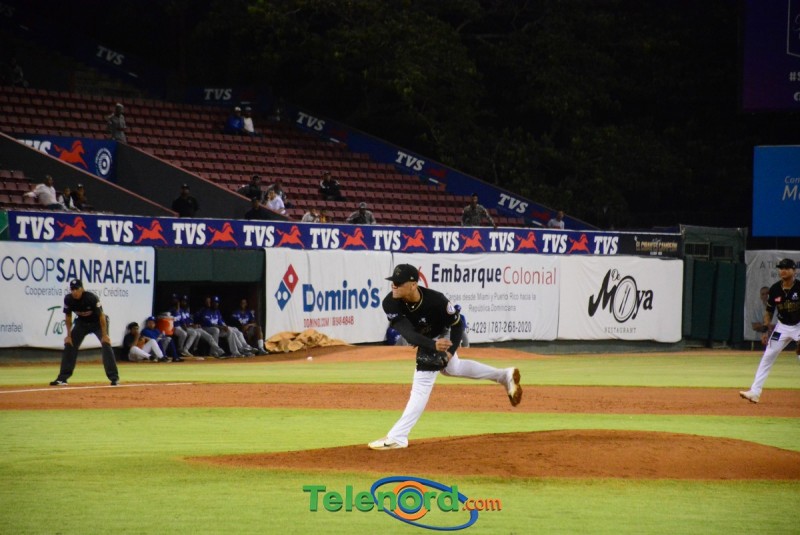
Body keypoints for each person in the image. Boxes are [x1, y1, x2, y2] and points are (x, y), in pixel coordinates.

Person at [368, 264, 522, 450]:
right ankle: (504, 375)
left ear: (413, 285)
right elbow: (408, 334)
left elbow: (457, 325)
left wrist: (450, 351)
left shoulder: (437, 300)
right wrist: (432, 345)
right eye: (393, 281)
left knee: (422, 382)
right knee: (453, 369)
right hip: (429, 340)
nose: (394, 285)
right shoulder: (390, 302)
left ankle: (398, 437)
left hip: (444, 335)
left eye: (399, 283)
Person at [740, 258, 800, 403]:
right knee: (767, 356)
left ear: (794, 271)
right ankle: (755, 392)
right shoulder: (775, 289)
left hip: (798, 325)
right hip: (782, 327)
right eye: (781, 268)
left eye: (786, 268)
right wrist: (765, 330)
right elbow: (769, 311)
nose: (783, 271)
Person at [49, 279, 120, 386]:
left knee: (106, 344)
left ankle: (114, 378)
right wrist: (68, 336)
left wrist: (105, 335)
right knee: (70, 344)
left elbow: (101, 316)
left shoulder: (91, 298)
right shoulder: (68, 299)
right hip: (82, 323)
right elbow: (68, 316)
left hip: (97, 323)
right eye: (72, 289)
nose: (74, 292)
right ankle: (62, 378)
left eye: (76, 289)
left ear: (82, 289)